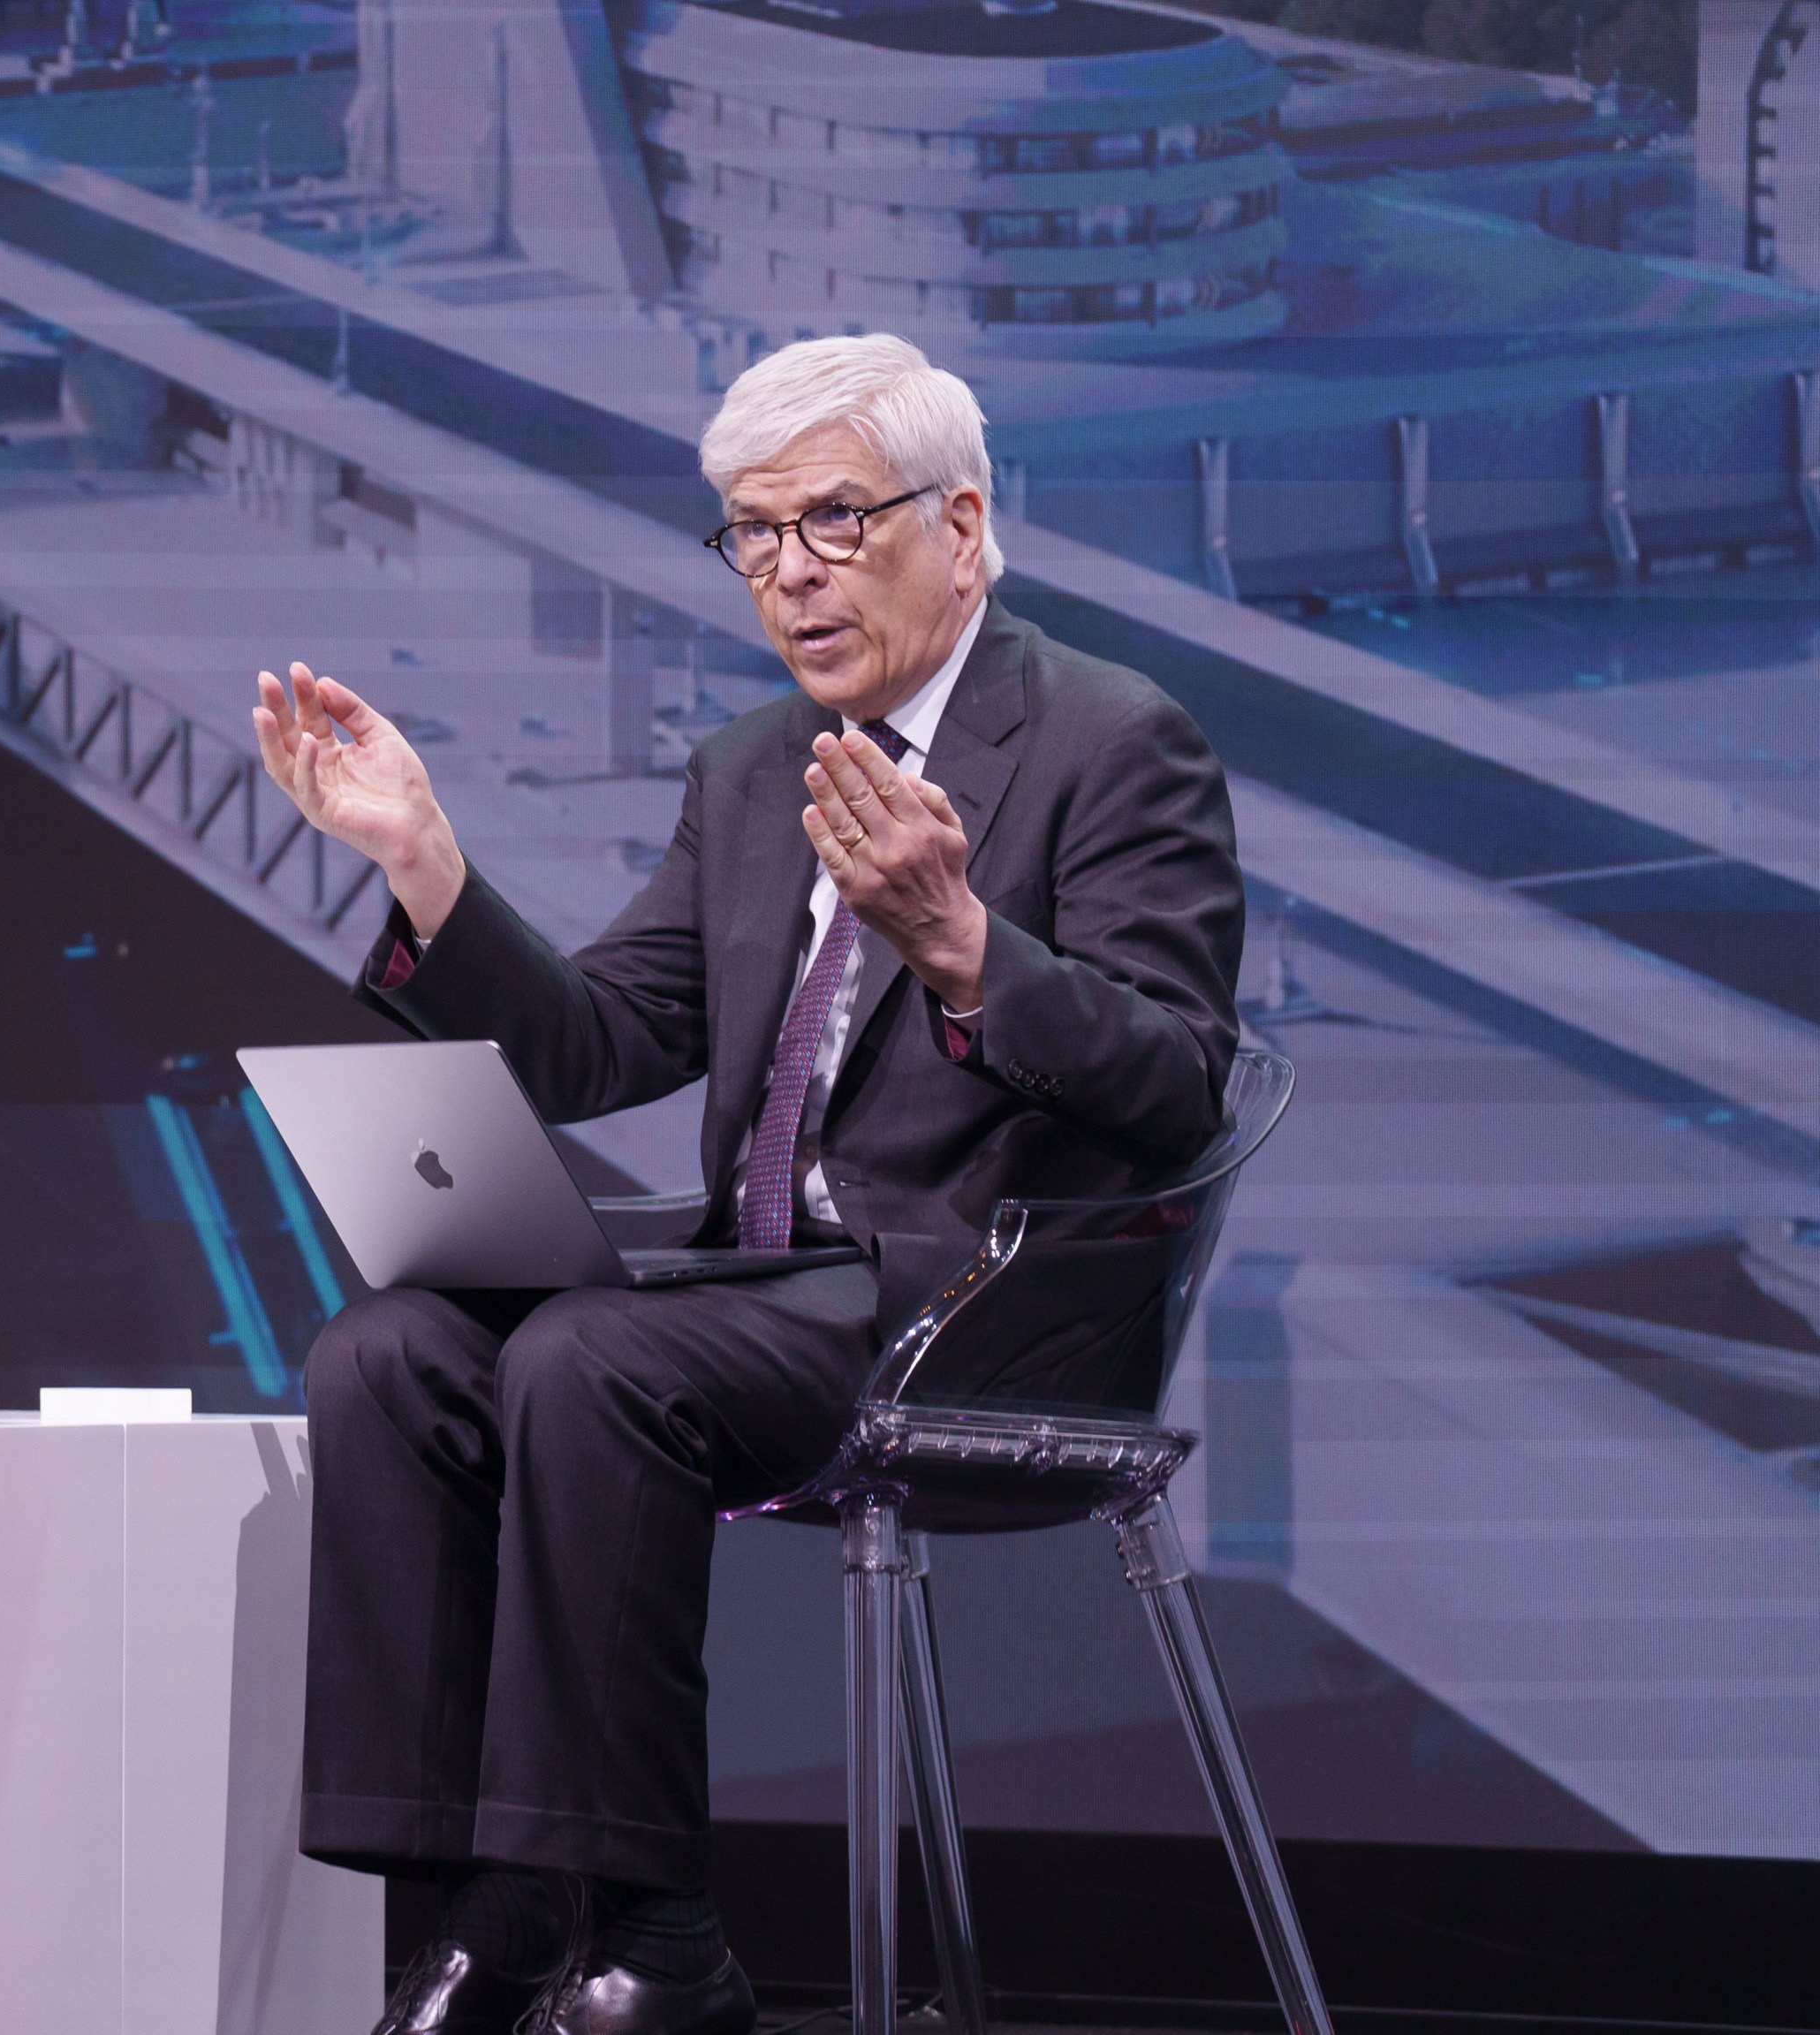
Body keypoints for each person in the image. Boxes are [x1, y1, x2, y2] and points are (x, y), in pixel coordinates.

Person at [249, 334, 1240, 2035]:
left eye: (835, 521)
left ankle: (660, 1932)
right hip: (759, 1300)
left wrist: (962, 943)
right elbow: (592, 1045)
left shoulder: (1110, 743)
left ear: (965, 525)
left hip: (980, 1312)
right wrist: (426, 863)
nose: (788, 572)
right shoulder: (747, 768)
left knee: (587, 1357)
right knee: (394, 1351)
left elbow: (1177, 1087)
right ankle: (475, 1917)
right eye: (751, 534)